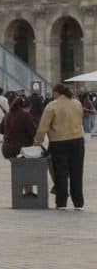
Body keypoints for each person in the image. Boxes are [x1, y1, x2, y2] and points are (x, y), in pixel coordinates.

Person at [33, 83, 85, 211]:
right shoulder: (77, 103)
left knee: (60, 172)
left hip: (59, 142)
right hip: (77, 141)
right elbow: (80, 118)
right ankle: (78, 202)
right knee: (77, 172)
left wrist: (37, 142)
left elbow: (43, 127)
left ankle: (61, 202)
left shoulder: (52, 106)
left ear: (56, 93)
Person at [0, 97, 38, 197]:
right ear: (26, 107)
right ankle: (28, 192)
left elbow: (0, 130)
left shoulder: (8, 115)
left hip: (7, 149)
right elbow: (33, 132)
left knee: (22, 168)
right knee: (28, 167)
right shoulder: (26, 115)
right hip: (21, 149)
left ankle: (27, 192)